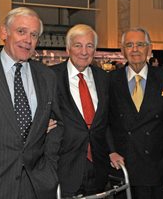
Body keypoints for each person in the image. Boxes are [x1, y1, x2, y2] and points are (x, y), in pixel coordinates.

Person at [0, 7, 63, 199]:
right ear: (4, 32)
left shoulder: (47, 77)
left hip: (36, 185)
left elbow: (57, 125)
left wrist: (49, 167)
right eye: (21, 31)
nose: (28, 40)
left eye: (34, 35)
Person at [108, 27, 163, 199]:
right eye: (129, 45)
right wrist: (111, 151)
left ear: (150, 48)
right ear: (122, 50)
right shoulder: (111, 80)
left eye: (140, 44)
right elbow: (104, 122)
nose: (135, 49)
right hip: (122, 163)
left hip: (155, 163)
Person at [51, 24, 110, 198]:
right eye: (78, 45)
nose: (84, 52)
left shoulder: (104, 78)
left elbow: (107, 121)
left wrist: (112, 150)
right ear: (68, 48)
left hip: (99, 167)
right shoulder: (50, 77)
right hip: (64, 166)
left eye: (89, 46)